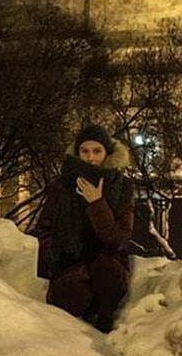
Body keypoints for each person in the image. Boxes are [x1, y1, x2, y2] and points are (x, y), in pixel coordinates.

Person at [34, 125, 134, 333]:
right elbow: (45, 229)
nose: (90, 158)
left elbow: (119, 239)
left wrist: (96, 203)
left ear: (107, 153)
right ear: (77, 153)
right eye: (85, 151)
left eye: (97, 151)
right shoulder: (62, 186)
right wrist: (55, 262)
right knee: (73, 296)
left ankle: (105, 320)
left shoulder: (121, 186)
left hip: (107, 264)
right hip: (70, 264)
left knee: (106, 273)